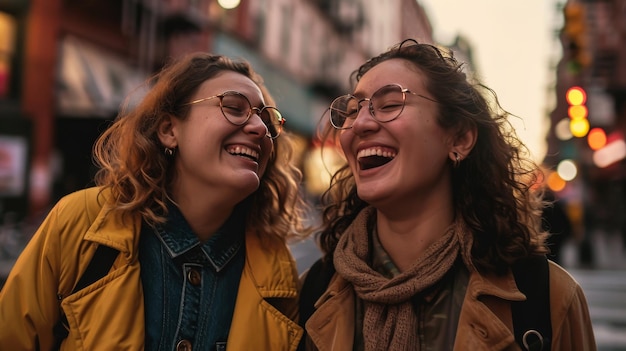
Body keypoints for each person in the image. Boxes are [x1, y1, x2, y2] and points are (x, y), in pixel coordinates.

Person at [299, 39, 596, 351]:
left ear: (460, 138)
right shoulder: (312, 293)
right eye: (351, 111)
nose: (358, 123)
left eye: (389, 104)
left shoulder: (548, 299)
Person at [0, 52, 309, 350]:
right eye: (233, 106)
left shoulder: (277, 275)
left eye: (267, 122)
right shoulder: (81, 224)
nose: (259, 128)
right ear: (168, 130)